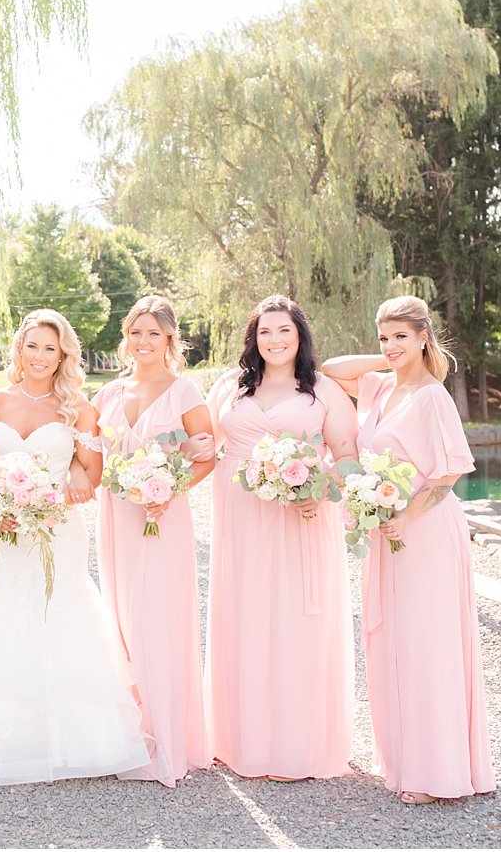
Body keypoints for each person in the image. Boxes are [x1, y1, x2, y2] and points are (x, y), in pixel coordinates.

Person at [0, 309, 164, 785]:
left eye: (50, 349)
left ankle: (81, 741)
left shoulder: (78, 409)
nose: (40, 357)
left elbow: (93, 475)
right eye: (33, 346)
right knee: (6, 608)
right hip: (4, 527)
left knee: (60, 610)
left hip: (57, 529)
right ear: (19, 349)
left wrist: (71, 480)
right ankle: (1, 741)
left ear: (63, 355)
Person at [321, 295, 495, 805]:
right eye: (384, 336)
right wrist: (390, 358)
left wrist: (405, 514)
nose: (391, 345)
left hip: (422, 530)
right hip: (385, 530)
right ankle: (402, 760)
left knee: (427, 644)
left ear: (425, 335)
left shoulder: (433, 396)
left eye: (402, 335)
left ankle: (436, 775)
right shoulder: (377, 388)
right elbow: (332, 371)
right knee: (391, 641)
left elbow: (449, 472)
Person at [205, 295, 358, 781]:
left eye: (284, 331)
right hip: (241, 515)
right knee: (246, 614)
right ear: (253, 337)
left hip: (303, 517)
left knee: (297, 618)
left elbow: (348, 455)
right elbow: (204, 444)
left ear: (300, 337)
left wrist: (326, 491)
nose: (274, 340)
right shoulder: (229, 388)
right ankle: (242, 742)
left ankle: (299, 747)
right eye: (265, 331)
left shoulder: (323, 390)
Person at [92, 295, 215, 787]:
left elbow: (206, 456)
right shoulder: (108, 395)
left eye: (153, 333)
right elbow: (94, 461)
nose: (143, 342)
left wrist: (169, 491)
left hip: (163, 517)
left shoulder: (185, 392)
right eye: (135, 333)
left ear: (170, 339)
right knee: (121, 618)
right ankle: (131, 734)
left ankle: (168, 741)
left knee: (158, 618)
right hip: (117, 516)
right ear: (127, 338)